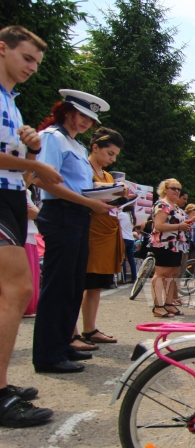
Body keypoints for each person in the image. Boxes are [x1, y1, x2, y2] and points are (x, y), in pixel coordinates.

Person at [0, 25, 58, 427]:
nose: (32, 68)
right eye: (26, 58)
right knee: (17, 289)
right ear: (2, 49)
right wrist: (35, 163)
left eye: (36, 63)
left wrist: (32, 146)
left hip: (10, 196)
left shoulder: (11, 101)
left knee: (10, 291)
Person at [32, 89, 112, 374]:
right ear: (67, 111)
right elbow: (42, 180)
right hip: (61, 213)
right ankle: (48, 354)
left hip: (78, 214)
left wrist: (108, 195)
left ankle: (64, 343)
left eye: (91, 120)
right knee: (57, 285)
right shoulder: (51, 138)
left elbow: (79, 184)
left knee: (73, 284)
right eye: (83, 116)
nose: (86, 123)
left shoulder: (75, 145)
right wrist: (88, 202)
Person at [81, 127, 129, 345]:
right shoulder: (84, 168)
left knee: (96, 285)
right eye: (110, 153)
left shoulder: (108, 175)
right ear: (95, 147)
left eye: (116, 156)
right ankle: (71, 332)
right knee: (81, 281)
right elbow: (82, 189)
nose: (112, 159)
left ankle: (90, 329)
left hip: (107, 227)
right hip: (90, 229)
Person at [149, 178, 190, 318]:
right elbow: (158, 226)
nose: (177, 191)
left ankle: (168, 303)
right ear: (165, 189)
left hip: (177, 244)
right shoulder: (162, 204)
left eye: (178, 189)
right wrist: (180, 226)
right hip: (164, 243)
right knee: (161, 274)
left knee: (173, 274)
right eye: (173, 188)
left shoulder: (176, 207)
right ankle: (158, 306)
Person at [23, 188, 40, 317]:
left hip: (30, 234)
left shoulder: (27, 192)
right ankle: (24, 305)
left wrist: (34, 212)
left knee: (33, 272)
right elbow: (29, 212)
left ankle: (31, 306)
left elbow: (36, 213)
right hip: (21, 234)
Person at [118, 203, 137, 283]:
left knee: (122, 259)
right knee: (131, 259)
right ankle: (134, 277)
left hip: (123, 239)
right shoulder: (132, 218)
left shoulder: (122, 215)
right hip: (131, 239)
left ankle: (124, 278)